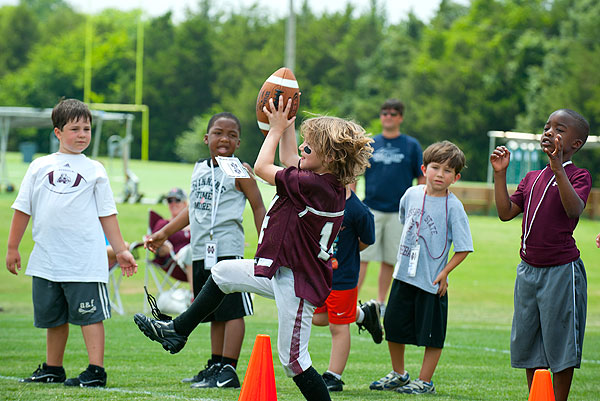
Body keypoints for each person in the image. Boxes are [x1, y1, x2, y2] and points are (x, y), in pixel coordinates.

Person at [134, 96, 373, 400]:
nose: (301, 148)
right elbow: (289, 157)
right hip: (283, 270)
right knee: (221, 273)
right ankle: (177, 331)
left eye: (309, 146)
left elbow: (261, 167)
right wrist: (286, 123)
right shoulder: (322, 179)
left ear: (327, 157)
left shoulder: (315, 185)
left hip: (299, 282)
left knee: (294, 362)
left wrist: (273, 131)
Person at [6, 98, 137, 387]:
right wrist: (12, 247)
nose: (82, 135)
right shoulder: (39, 166)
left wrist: (121, 250)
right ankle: (53, 367)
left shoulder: (96, 170)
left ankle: (95, 370)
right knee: (53, 318)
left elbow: (108, 214)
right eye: (75, 129)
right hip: (47, 260)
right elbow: (22, 208)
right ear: (57, 132)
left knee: (89, 317)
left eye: (87, 129)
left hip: (84, 261)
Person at [142, 112, 266, 389]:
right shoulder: (199, 168)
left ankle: (229, 370)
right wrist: (164, 233)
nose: (225, 139)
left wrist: (265, 242)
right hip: (201, 251)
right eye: (219, 133)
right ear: (206, 137)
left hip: (227, 249)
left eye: (232, 135)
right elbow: (193, 209)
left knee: (232, 311)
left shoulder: (239, 169)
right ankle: (216, 364)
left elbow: (258, 205)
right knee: (212, 311)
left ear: (238, 142)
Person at [490, 109, 591, 401]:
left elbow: (574, 210)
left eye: (560, 130)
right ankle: (538, 397)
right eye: (547, 127)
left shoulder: (578, 175)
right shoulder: (532, 177)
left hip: (561, 271)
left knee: (560, 346)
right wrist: (500, 175)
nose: (550, 132)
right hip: (528, 271)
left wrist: (558, 165)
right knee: (530, 344)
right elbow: (505, 212)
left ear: (576, 144)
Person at [370, 140, 473, 394]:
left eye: (448, 171)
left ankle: (425, 381)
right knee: (393, 326)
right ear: (424, 168)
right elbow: (406, 221)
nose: (440, 174)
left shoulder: (454, 207)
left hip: (431, 281)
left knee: (432, 335)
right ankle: (399, 373)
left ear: (456, 177)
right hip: (404, 275)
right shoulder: (411, 193)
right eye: (436, 167)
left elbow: (463, 248)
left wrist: (445, 272)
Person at [356, 98, 425, 312]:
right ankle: (350, 299)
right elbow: (355, 174)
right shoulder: (370, 143)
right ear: (380, 116)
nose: (388, 116)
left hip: (399, 212)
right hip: (371, 209)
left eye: (393, 113)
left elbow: (421, 177)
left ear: (401, 118)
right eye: (385, 112)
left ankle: (381, 303)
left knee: (389, 259)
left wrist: (419, 204)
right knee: (362, 256)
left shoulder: (411, 145)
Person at [312, 185, 379, 392]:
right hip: (318, 274)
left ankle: (334, 376)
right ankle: (363, 314)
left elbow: (367, 240)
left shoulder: (357, 210)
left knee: (338, 327)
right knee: (315, 317)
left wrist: (347, 251)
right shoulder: (317, 198)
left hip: (342, 278)